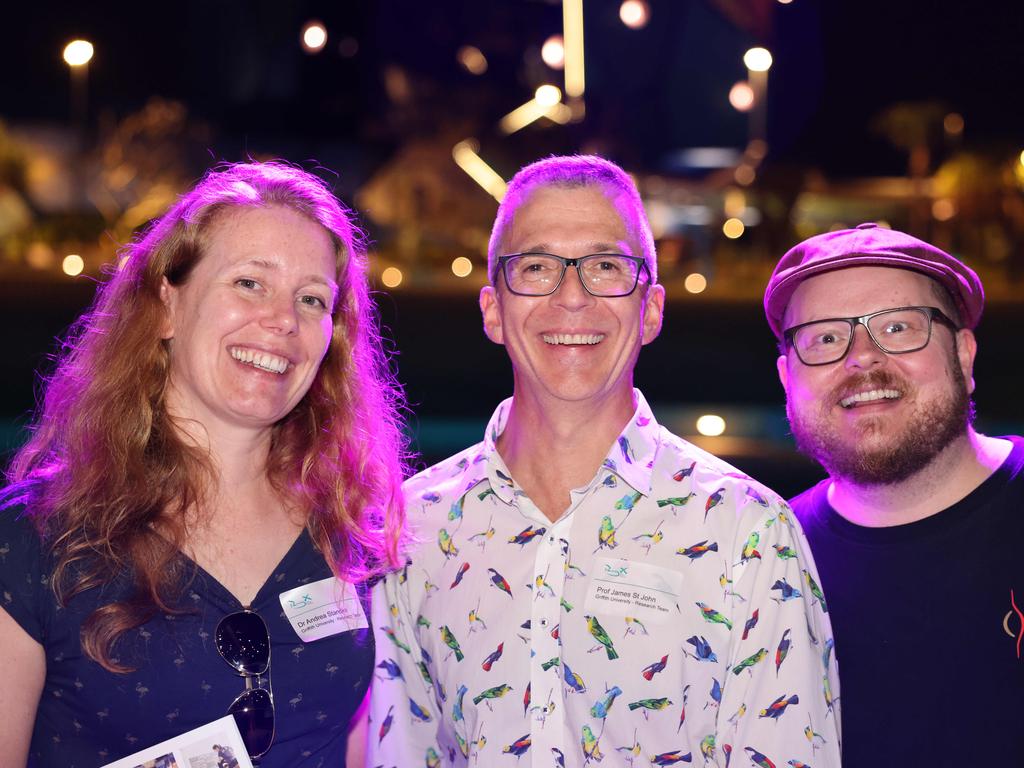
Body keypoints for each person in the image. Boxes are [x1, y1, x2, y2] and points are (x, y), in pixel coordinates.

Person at [369, 155, 840, 767]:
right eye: (535, 267)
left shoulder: (747, 531)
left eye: (605, 267)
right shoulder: (413, 527)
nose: (572, 297)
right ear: (492, 310)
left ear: (651, 309)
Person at [0, 162, 408, 767]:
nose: (283, 320)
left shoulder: (350, 524)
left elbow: (348, 743)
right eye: (249, 283)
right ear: (166, 304)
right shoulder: (35, 537)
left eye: (312, 299)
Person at [764, 222, 1023, 764]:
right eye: (826, 338)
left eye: (898, 327)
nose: (862, 358)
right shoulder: (766, 561)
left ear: (965, 355)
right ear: (788, 379)